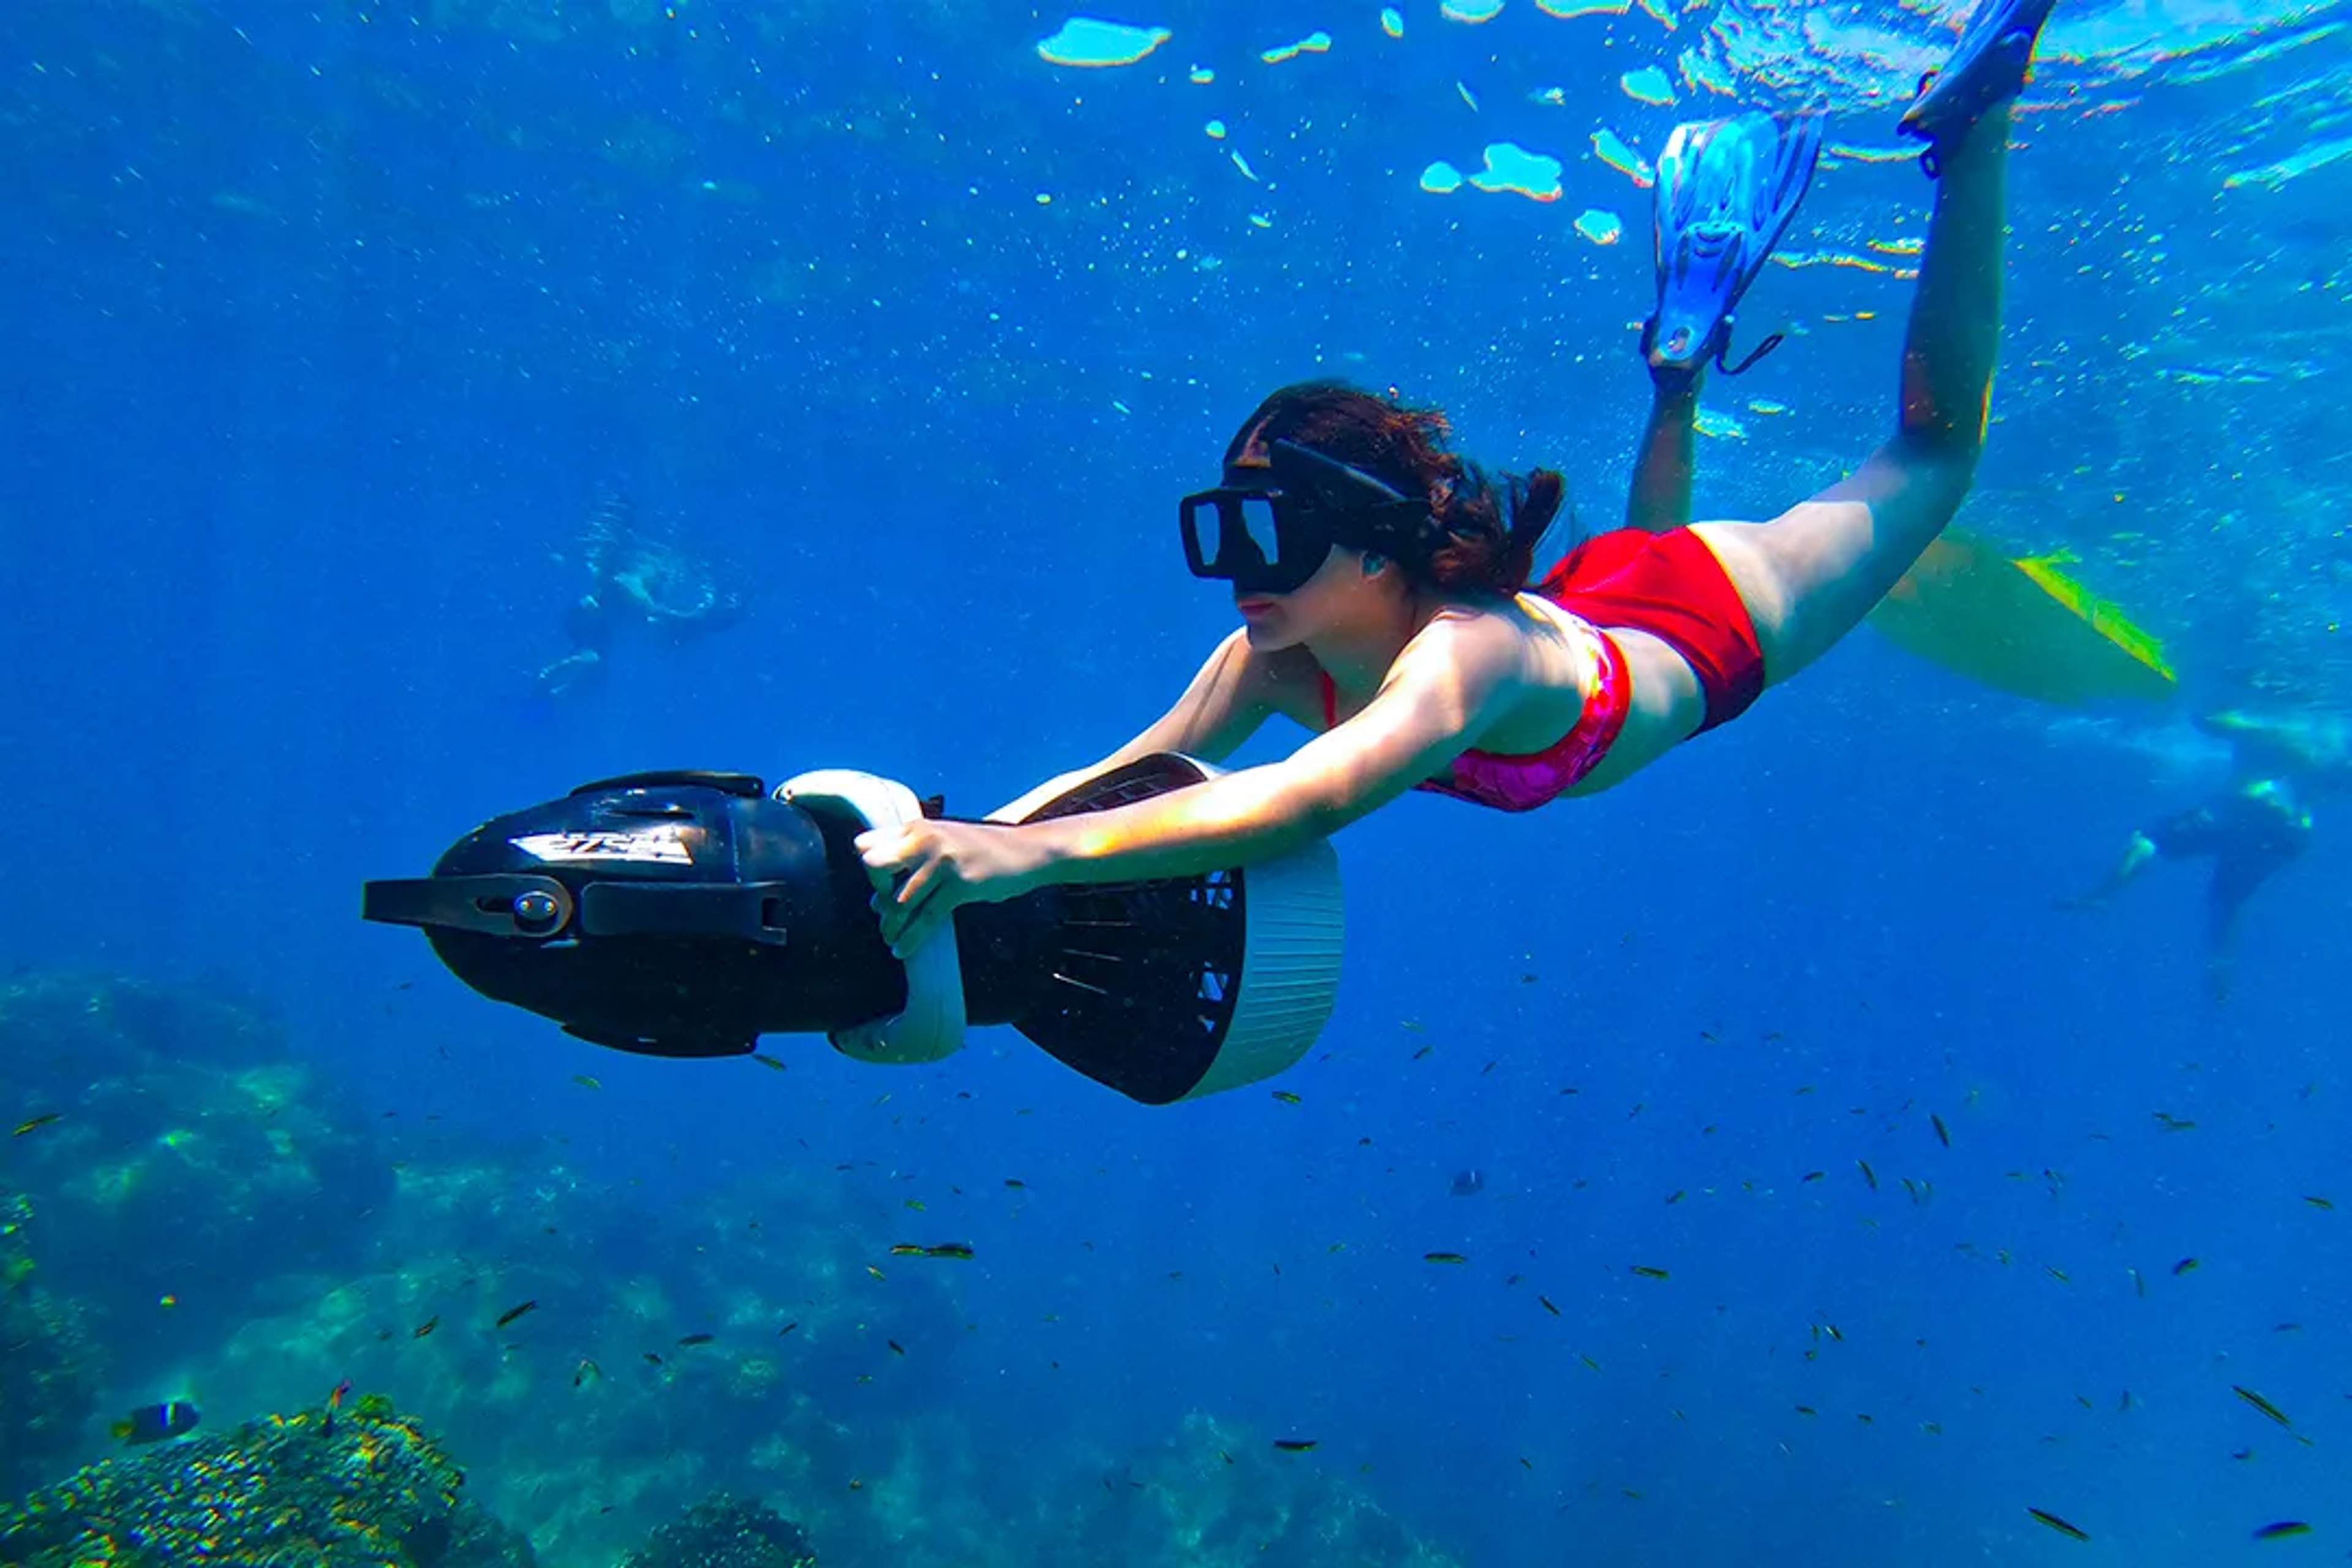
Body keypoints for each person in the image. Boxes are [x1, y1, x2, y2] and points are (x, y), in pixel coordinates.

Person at [856, 0, 2059, 960]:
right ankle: (1679, 369)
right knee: (1647, 530)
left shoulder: (1464, 656)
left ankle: (1976, 132)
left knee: (1933, 456)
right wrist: (966, 840)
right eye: (1226, 532)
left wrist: (1028, 862)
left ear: (1375, 546)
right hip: (1590, 607)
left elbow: (1301, 801)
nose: (1238, 575)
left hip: (1707, 612)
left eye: (1271, 534)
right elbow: (1132, 769)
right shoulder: (1272, 654)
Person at [2064, 709, 2347, 1000]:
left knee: (2149, 840)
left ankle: (2102, 895)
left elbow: (2205, 721)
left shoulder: (2260, 731)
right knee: (2229, 901)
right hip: (2293, 833)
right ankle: (2221, 964)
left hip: (2247, 809)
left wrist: (2220, 714)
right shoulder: (2316, 751)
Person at [535, 488, 745, 698]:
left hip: (619, 608)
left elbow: (654, 614)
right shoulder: (627, 593)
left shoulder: (624, 592)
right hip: (623, 607)